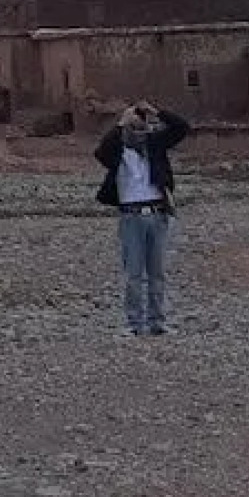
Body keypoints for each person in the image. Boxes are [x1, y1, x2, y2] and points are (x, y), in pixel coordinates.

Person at [93, 99, 194, 337]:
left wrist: (158, 112)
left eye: (141, 120)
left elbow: (182, 128)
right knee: (134, 274)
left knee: (157, 273)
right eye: (135, 120)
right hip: (131, 216)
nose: (139, 125)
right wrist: (120, 124)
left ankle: (158, 321)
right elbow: (101, 152)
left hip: (157, 213)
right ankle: (134, 324)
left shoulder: (155, 143)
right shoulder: (119, 148)